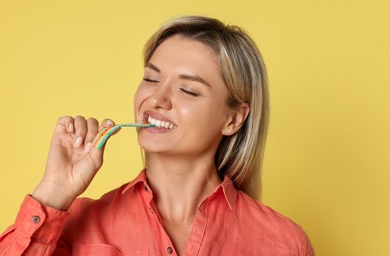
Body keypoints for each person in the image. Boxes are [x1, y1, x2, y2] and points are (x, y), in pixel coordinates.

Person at [0, 15, 314, 255]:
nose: (156, 100)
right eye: (151, 79)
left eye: (188, 90)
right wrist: (53, 191)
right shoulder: (72, 225)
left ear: (233, 118)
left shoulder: (285, 242)